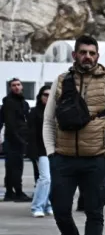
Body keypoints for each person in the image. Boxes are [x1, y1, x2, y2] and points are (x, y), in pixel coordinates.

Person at [42, 36, 105, 235]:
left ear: (97, 56)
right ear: (74, 55)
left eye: (91, 52)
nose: (87, 56)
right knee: (60, 210)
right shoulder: (60, 82)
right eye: (83, 52)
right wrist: (51, 152)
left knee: (94, 212)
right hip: (63, 159)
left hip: (96, 160)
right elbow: (48, 121)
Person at [1, 78, 30, 202]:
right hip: (13, 139)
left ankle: (10, 192)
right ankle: (17, 192)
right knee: (15, 167)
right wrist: (21, 141)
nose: (16, 87)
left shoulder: (23, 103)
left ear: (22, 86)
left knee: (12, 167)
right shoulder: (9, 103)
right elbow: (10, 124)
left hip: (19, 138)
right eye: (13, 85)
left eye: (18, 85)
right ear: (10, 88)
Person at [27, 85, 52, 217]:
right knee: (45, 178)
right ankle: (37, 206)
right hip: (41, 150)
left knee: (52, 179)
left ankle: (48, 205)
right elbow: (31, 134)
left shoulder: (57, 111)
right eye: (45, 95)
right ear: (40, 96)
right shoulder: (35, 112)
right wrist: (33, 152)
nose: (48, 97)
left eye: (50, 95)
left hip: (55, 150)